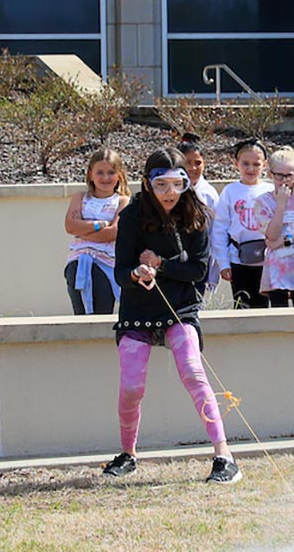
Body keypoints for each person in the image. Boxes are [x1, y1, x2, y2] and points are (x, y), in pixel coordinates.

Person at [103, 148, 240, 484]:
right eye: (160, 184)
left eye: (176, 184)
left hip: (180, 310)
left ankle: (224, 456)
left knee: (194, 372)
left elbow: (197, 270)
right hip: (137, 311)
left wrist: (161, 264)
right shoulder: (133, 215)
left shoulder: (195, 216)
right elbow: (120, 271)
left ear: (186, 183)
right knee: (132, 386)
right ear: (147, 184)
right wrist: (137, 273)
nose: (169, 193)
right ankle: (127, 454)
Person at [62, 147, 131, 315]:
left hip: (106, 265)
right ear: (90, 174)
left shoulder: (122, 201)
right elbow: (70, 226)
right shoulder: (80, 197)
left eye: (111, 172)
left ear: (119, 175)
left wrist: (82, 228)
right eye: (100, 172)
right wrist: (100, 225)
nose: (105, 178)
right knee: (81, 316)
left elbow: (114, 233)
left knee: (101, 314)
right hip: (78, 263)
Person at [253, 148, 294, 307]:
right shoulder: (262, 202)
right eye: (279, 175)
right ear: (270, 174)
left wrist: (286, 240)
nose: (284, 180)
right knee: (279, 313)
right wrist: (281, 204)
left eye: (289, 176)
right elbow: (272, 235)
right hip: (277, 269)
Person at [210, 139, 274, 309]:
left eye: (256, 164)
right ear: (236, 163)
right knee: (242, 305)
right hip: (238, 260)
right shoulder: (230, 191)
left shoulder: (270, 190)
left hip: (267, 260)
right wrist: (223, 263)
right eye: (245, 163)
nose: (251, 169)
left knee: (264, 306)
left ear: (265, 165)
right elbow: (220, 228)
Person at [180, 133, 222, 292]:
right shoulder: (169, 192)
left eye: (198, 163)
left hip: (199, 261)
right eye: (187, 163)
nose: (192, 168)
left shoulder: (208, 194)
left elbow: (215, 232)